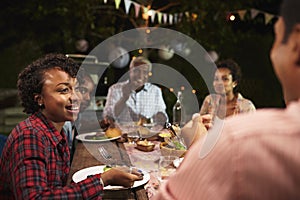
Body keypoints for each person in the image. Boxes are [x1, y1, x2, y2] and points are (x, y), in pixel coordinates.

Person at [153, 0, 300, 199]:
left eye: (277, 34)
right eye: (216, 79)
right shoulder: (210, 102)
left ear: (295, 44)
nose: (220, 83)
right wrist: (197, 125)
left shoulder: (240, 130)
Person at [0, 53, 142, 199]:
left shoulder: (56, 131)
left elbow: (59, 187)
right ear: (39, 99)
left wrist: (107, 176)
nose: (76, 97)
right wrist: (104, 180)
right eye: (64, 90)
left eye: (77, 89)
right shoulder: (30, 136)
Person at [103, 56, 168, 124]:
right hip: (121, 133)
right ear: (130, 72)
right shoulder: (115, 89)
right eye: (136, 71)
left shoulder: (155, 91)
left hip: (148, 132)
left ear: (148, 75)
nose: (140, 75)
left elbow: (163, 117)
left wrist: (158, 117)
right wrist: (124, 98)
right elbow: (108, 116)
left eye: (145, 72)